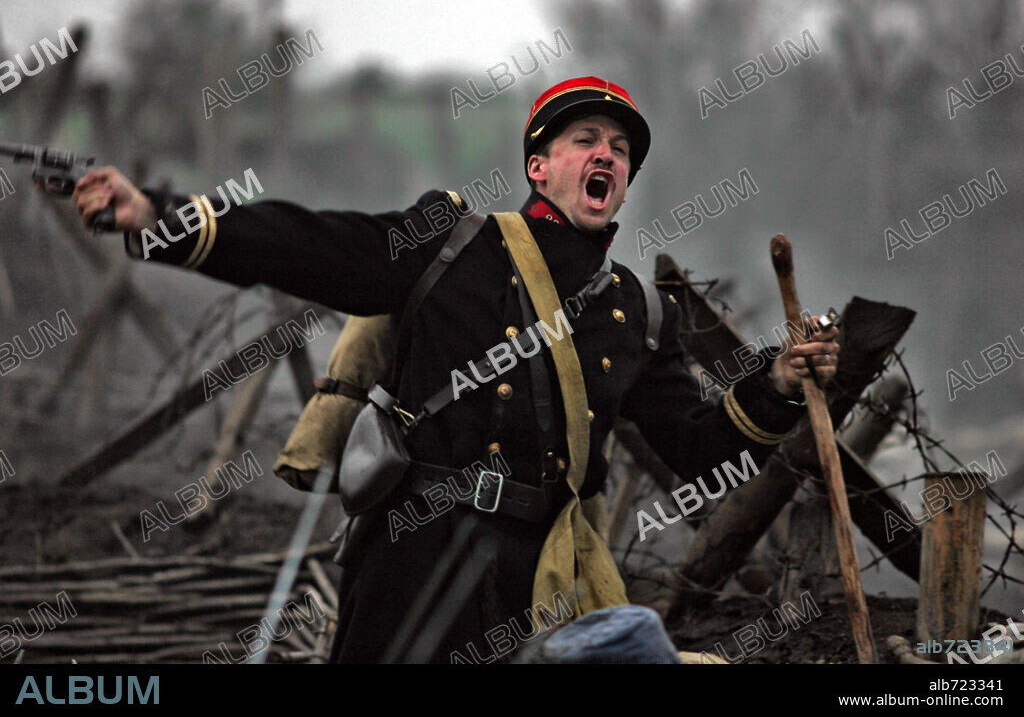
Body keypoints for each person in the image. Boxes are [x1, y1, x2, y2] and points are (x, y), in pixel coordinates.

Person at [72, 76, 839, 663]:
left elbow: (699, 448)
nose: (607, 153)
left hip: (538, 574)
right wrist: (158, 216)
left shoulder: (636, 312)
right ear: (539, 166)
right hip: (416, 550)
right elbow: (309, 246)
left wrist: (774, 386)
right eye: (585, 139)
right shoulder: (454, 244)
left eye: (621, 149)